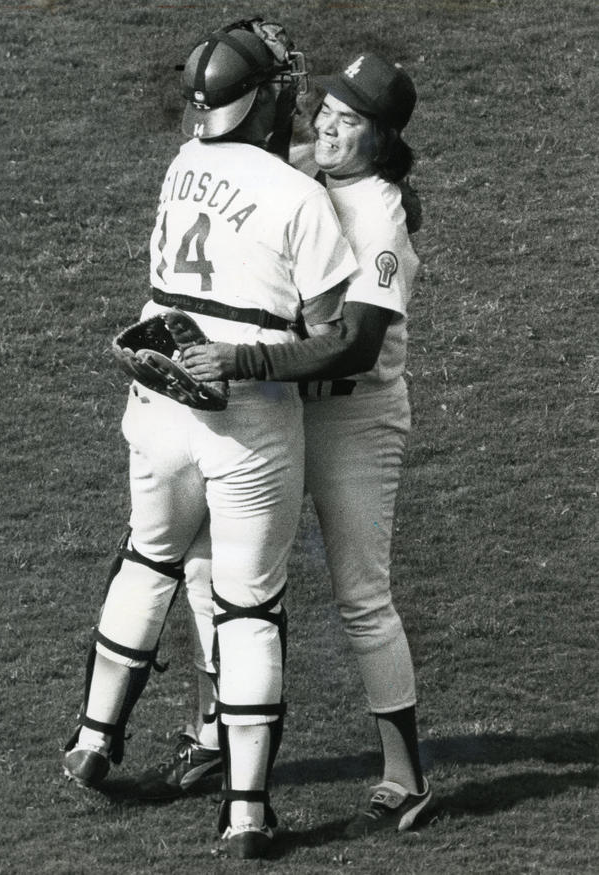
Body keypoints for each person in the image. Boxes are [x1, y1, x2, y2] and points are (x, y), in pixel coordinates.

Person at [62, 18, 358, 860]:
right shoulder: (304, 200)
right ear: (261, 100)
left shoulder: (184, 161)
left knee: (149, 557)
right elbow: (335, 340)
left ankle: (93, 736)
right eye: (280, 86)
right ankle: (247, 813)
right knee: (249, 604)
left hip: (157, 407)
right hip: (250, 418)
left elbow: (247, 177)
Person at [137, 52, 433, 839]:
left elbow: (354, 348)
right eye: (326, 110)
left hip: (351, 420)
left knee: (361, 595)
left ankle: (406, 775)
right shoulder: (309, 171)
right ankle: (211, 731)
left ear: (384, 137)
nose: (329, 127)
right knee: (209, 566)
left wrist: (238, 359)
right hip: (275, 411)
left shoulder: (379, 215)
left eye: (352, 120)